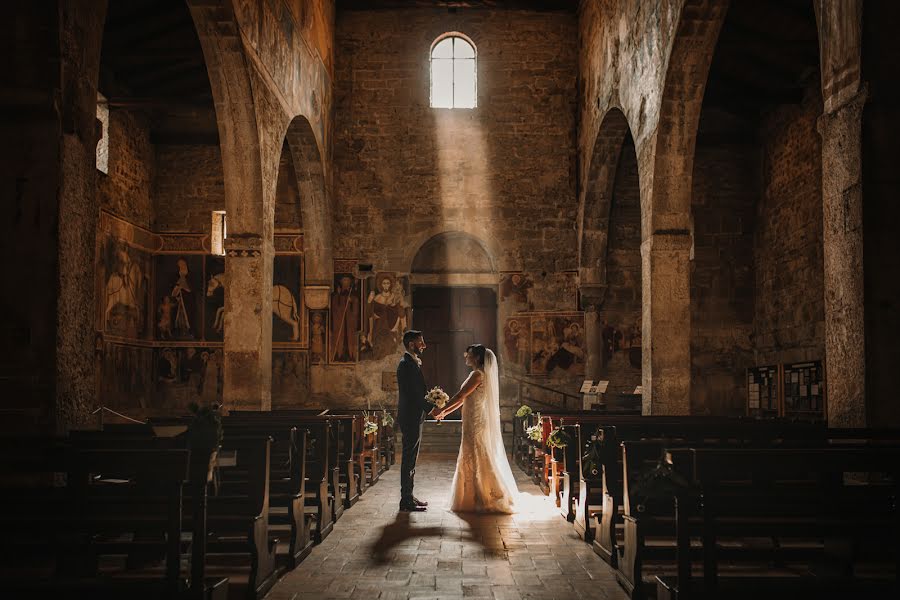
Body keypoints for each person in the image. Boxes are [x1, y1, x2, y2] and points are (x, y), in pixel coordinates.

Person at [433, 344, 519, 513]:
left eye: (469, 354)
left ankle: (483, 494)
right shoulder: (479, 374)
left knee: (477, 452)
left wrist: (441, 409)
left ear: (477, 358)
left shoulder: (477, 374)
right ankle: (474, 493)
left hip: (476, 420)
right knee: (472, 452)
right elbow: (462, 400)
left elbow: (460, 396)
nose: (466, 356)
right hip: (472, 417)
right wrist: (445, 413)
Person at [396, 330, 440, 512]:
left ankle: (409, 496)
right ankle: (405, 500)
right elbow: (413, 394)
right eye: (421, 342)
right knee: (408, 458)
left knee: (411, 458)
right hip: (410, 417)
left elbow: (418, 391)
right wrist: (432, 409)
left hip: (414, 416)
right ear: (412, 344)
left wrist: (431, 402)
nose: (424, 345)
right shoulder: (406, 364)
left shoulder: (411, 363)